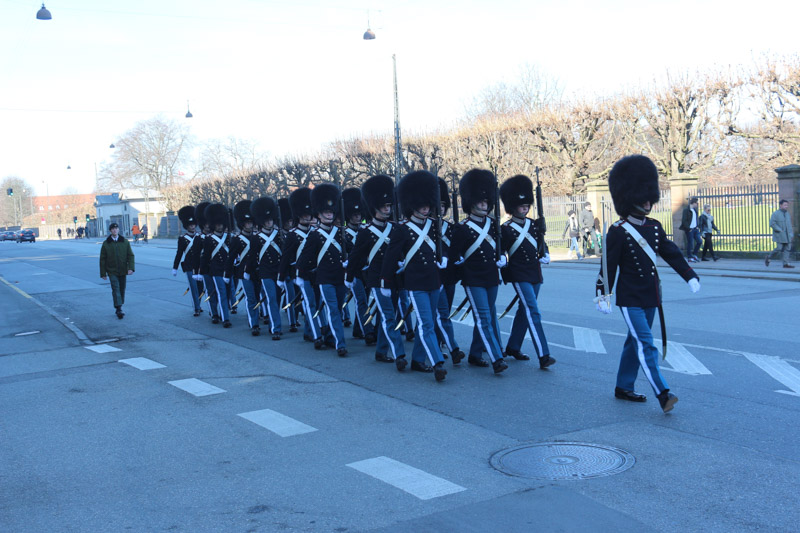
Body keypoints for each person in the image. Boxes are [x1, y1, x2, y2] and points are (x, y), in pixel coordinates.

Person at [595, 155, 700, 413]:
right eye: (643, 198)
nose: (648, 202)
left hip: (651, 296)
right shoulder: (618, 231)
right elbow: (608, 266)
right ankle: (662, 392)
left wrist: (690, 275)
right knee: (646, 343)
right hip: (630, 298)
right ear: (630, 198)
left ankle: (623, 386)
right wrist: (603, 294)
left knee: (634, 341)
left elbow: (671, 252)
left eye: (649, 197)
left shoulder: (654, 227)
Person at [381, 170, 448, 381]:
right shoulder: (402, 229)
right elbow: (391, 257)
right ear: (413, 204)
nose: (426, 208)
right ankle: (437, 362)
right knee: (427, 323)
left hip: (434, 280)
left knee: (424, 323)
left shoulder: (434, 225)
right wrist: (385, 280)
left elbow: (441, 247)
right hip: (415, 282)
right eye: (422, 204)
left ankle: (418, 360)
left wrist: (443, 257)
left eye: (428, 204)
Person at [450, 169, 508, 375]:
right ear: (471, 203)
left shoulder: (494, 225)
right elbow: (452, 256)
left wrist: (503, 258)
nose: (484, 205)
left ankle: (475, 353)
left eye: (486, 202)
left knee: (488, 316)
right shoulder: (462, 228)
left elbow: (503, 247)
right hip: (473, 279)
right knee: (484, 317)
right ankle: (496, 358)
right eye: (480, 202)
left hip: (491, 277)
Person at [347, 174, 408, 369]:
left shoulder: (396, 228)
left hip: (395, 278)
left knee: (388, 316)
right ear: (374, 208)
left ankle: (381, 350)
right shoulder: (365, 232)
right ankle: (399, 354)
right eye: (384, 207)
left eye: (389, 206)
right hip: (377, 280)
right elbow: (356, 256)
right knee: (389, 316)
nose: (387, 209)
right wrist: (349, 276)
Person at [500, 174, 556, 369]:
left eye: (526, 205)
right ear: (512, 206)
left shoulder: (534, 225)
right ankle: (544, 354)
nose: (525, 207)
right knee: (533, 310)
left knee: (524, 311)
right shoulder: (506, 229)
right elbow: (501, 250)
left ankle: (513, 346)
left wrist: (546, 253)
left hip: (534, 273)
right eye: (521, 205)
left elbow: (542, 244)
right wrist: (500, 258)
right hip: (518, 273)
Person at [297, 183, 348, 357]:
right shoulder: (314, 234)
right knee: (333, 309)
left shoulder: (341, 232)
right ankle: (339, 343)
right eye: (326, 212)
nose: (329, 214)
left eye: (331, 211)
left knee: (338, 309)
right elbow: (304, 259)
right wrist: (303, 275)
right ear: (318, 213)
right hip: (324, 278)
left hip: (340, 277)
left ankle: (328, 334)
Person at [279, 188, 323, 347]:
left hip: (317, 273)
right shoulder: (292, 235)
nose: (307, 216)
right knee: (310, 303)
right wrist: (281, 276)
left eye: (308, 214)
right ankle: (316, 334)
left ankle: (308, 331)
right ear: (298, 215)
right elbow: (285, 257)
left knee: (317, 304)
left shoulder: (317, 232)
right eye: (304, 215)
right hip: (301, 273)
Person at [434, 177, 466, 365]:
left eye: (444, 205)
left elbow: (457, 249)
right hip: (436, 276)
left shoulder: (452, 228)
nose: (443, 209)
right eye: (440, 205)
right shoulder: (429, 228)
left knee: (443, 312)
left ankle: (439, 341)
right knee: (441, 313)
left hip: (450, 276)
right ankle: (444, 346)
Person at [342, 187, 376, 345]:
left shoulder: (365, 230)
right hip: (354, 271)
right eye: (354, 215)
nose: (357, 217)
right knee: (361, 300)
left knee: (363, 301)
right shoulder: (344, 233)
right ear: (348, 216)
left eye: (359, 214)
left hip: (367, 271)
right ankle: (368, 330)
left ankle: (358, 328)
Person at [252, 197, 284, 340]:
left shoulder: (280, 235)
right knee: (271, 299)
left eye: (271, 219)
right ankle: (275, 328)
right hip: (265, 272)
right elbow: (253, 258)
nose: (269, 222)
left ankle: (274, 322)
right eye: (266, 220)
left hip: (278, 271)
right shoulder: (257, 238)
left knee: (277, 298)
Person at [228, 200, 261, 335]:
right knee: (251, 298)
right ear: (242, 224)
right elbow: (231, 258)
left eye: (251, 222)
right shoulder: (237, 239)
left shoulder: (258, 237)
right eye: (247, 223)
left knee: (258, 297)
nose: (249, 225)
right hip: (244, 272)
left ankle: (259, 317)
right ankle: (254, 323)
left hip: (258, 271)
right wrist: (227, 274)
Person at [201, 204, 232, 327]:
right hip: (216, 270)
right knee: (221, 292)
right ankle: (222, 317)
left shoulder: (228, 237)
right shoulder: (208, 239)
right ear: (214, 225)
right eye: (218, 224)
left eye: (221, 224)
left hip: (228, 269)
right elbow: (205, 257)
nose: (220, 226)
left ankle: (221, 313)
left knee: (227, 293)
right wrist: (201, 272)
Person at [99, 222, 135, 319]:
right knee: (115, 288)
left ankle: (120, 304)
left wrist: (131, 268)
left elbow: (130, 256)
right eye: (113, 229)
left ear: (118, 230)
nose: (115, 230)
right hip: (112, 270)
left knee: (122, 289)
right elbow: (102, 259)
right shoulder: (106, 244)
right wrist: (103, 273)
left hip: (123, 270)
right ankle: (118, 308)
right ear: (110, 231)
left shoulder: (125, 242)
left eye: (116, 228)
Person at [172, 205, 202, 316]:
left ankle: (198, 303)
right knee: (193, 288)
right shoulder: (183, 238)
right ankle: (197, 308)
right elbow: (179, 253)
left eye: (193, 224)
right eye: (190, 225)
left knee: (201, 288)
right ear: (187, 226)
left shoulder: (200, 237)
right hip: (189, 266)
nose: (192, 226)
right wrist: (175, 267)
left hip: (200, 266)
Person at [766, 199, 794, 268]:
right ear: (780, 205)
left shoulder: (787, 214)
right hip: (779, 235)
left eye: (787, 205)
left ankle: (785, 264)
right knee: (779, 248)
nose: (786, 206)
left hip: (788, 235)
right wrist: (779, 230)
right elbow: (772, 224)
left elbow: (789, 225)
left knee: (787, 249)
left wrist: (791, 233)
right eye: (785, 205)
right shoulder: (775, 214)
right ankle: (769, 257)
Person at [678, 197, 701, 262]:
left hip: (695, 229)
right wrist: (689, 228)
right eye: (697, 203)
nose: (697, 204)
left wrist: (697, 226)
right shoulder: (686, 210)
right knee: (690, 243)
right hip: (689, 230)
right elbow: (684, 220)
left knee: (699, 242)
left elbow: (696, 219)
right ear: (693, 203)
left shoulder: (695, 210)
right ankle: (689, 257)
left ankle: (694, 255)